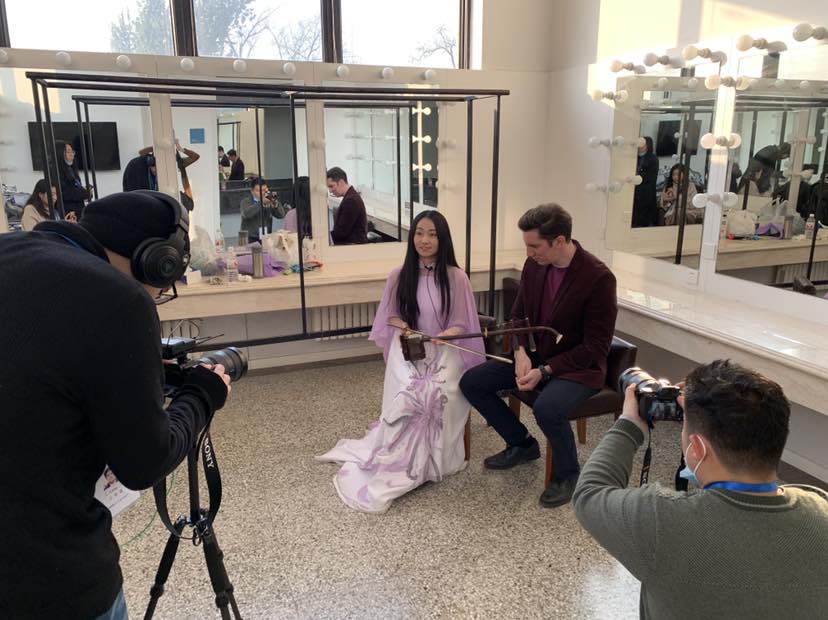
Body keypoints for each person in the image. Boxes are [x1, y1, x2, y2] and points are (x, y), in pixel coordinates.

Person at [0, 191, 232, 620]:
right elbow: (145, 462)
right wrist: (203, 394)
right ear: (158, 261)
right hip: (50, 580)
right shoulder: (120, 298)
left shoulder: (12, 250)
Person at [572, 360, 828, 619]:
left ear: (697, 449)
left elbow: (589, 493)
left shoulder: (662, 522)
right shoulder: (821, 505)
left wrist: (628, 424)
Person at [317, 210, 484, 513]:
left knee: (435, 392)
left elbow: (462, 323)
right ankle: (402, 462)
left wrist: (445, 334)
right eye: (419, 233)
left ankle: (434, 459)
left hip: (444, 350)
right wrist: (404, 328)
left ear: (443, 239)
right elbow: (391, 316)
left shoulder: (457, 277)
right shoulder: (399, 274)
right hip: (409, 347)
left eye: (432, 234)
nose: (424, 240)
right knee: (410, 390)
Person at [460, 204, 617, 508]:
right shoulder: (535, 265)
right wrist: (520, 351)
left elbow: (595, 348)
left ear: (559, 241)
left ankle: (569, 473)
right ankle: (522, 444)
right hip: (537, 355)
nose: (529, 253)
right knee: (472, 382)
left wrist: (545, 370)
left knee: (547, 408)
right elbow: (517, 315)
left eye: (535, 246)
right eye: (527, 246)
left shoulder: (598, 278)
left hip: (579, 368)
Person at [327, 166, 368, 245]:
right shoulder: (351, 196)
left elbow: (342, 232)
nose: (330, 191)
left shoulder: (351, 201)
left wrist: (325, 237)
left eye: (331, 186)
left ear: (341, 182)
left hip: (353, 247)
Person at [54, 139, 92, 220]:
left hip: (78, 211)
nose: (72, 155)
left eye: (72, 152)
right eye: (68, 152)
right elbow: (64, 193)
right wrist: (84, 193)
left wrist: (86, 192)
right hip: (68, 213)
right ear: (60, 153)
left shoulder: (71, 169)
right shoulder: (55, 172)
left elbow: (76, 187)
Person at [632, 136, 659, 228]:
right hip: (633, 189)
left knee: (643, 216)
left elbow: (651, 176)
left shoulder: (653, 158)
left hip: (646, 191)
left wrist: (638, 177)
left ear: (648, 145)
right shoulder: (633, 157)